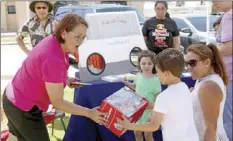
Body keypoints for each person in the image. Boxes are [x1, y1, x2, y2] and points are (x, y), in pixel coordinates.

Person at [2, 13, 106, 141]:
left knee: (14, 138)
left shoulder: (58, 43)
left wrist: (65, 80)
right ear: (63, 33)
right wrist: (89, 113)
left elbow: (45, 73)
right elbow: (58, 103)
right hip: (22, 106)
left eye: (84, 37)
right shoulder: (52, 57)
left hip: (12, 96)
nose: (81, 41)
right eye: (77, 36)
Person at [118, 48, 199, 141]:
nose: (157, 75)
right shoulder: (184, 87)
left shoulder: (163, 96)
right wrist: (154, 110)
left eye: (158, 72)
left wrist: (129, 126)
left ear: (167, 74)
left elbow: (153, 126)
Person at [185, 44, 229, 141]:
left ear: (207, 62)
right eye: (187, 63)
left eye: (192, 63)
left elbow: (211, 127)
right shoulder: (202, 80)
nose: (188, 67)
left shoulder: (209, 86)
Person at [123, 50, 162, 141]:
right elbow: (135, 87)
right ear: (139, 64)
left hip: (149, 111)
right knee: (137, 133)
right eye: (143, 63)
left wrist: (154, 111)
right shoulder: (138, 76)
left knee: (148, 135)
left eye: (149, 63)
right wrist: (127, 83)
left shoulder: (156, 80)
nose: (146, 66)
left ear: (153, 65)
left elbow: (159, 97)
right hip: (137, 110)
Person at [213, 2, 232, 140]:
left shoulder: (229, 16)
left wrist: (208, 54)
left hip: (229, 75)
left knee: (227, 117)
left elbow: (228, 47)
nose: (213, 2)